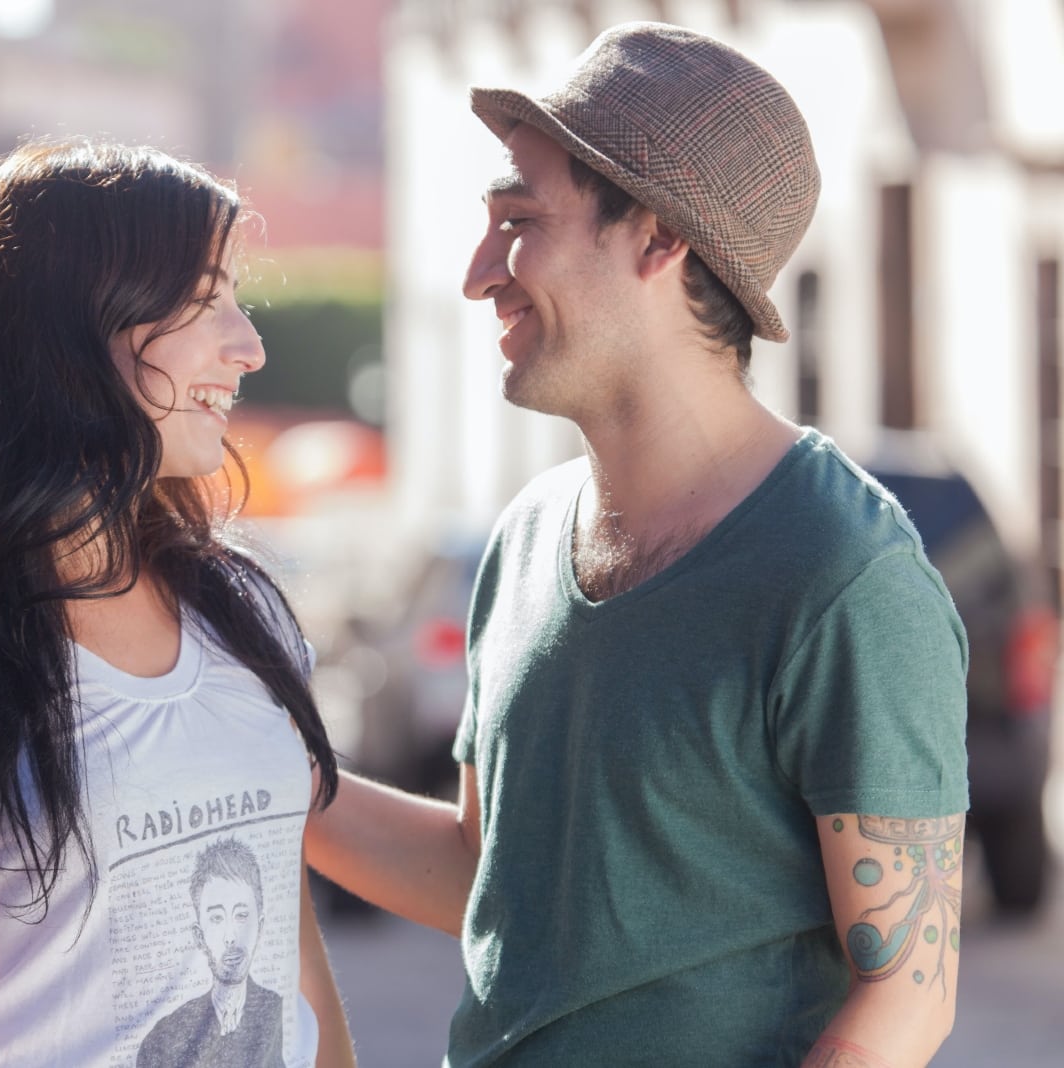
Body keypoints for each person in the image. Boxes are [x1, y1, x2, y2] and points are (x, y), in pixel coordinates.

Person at [306, 22, 969, 1068]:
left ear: (657, 239)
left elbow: (908, 992)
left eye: (517, 222)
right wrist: (271, 771)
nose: (482, 273)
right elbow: (488, 873)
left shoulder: (843, 574)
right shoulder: (524, 538)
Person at [0, 139, 356, 1068]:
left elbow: (296, 966)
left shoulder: (244, 614)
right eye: (208, 296)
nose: (250, 345)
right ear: (83, 328)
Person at [138, 838, 286, 1067]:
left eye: (242, 915)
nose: (231, 936)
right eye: (217, 918)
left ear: (261, 925)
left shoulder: (276, 1009)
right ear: (199, 936)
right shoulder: (164, 1037)